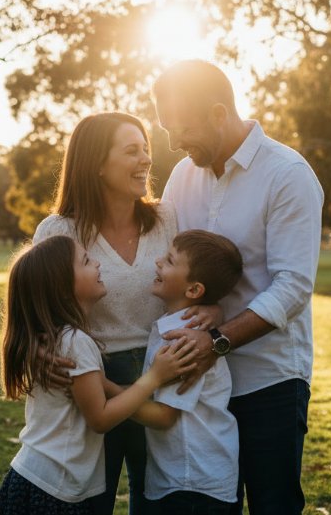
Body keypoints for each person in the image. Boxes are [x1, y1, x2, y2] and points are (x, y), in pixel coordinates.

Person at [152, 60, 324, 515]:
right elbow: (168, 266)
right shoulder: (181, 178)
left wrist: (217, 338)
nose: (173, 143)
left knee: (273, 505)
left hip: (269, 379)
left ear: (217, 114)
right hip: (200, 386)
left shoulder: (288, 174)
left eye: (180, 128)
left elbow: (293, 286)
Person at [32, 112, 218, 515]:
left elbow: (197, 276)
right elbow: (34, 314)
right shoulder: (57, 231)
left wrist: (213, 307)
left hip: (163, 371)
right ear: (97, 163)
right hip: (89, 380)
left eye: (146, 149)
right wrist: (39, 352)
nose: (146, 160)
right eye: (132, 150)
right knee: (91, 502)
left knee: (155, 500)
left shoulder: (167, 218)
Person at [0, 235, 198, 515]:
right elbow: (100, 418)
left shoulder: (59, 339)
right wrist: (155, 377)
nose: (98, 263)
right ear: (63, 287)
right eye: (86, 261)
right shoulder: (75, 341)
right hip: (54, 489)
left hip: (35, 477)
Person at [138, 229, 243, 513]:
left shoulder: (183, 339)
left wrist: (103, 394)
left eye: (170, 261)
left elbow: (163, 417)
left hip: (193, 485)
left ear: (194, 290)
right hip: (183, 479)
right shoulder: (171, 326)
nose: (159, 262)